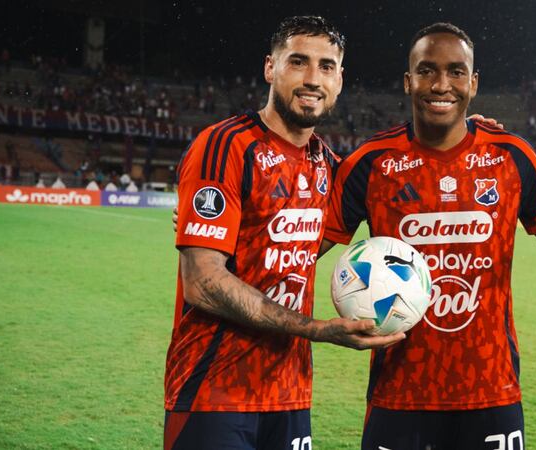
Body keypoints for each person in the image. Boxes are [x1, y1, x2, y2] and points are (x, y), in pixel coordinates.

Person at [322, 23, 536, 450]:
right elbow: (304, 246)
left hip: (490, 391)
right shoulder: (370, 163)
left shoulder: (510, 157)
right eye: (427, 71)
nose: (441, 85)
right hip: (400, 395)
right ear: (408, 81)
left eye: (456, 72)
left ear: (474, 82)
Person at [164, 16, 404, 450]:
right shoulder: (225, 146)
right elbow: (202, 283)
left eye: (327, 67)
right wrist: (315, 329)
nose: (313, 78)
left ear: (340, 79)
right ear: (270, 68)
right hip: (213, 391)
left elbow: (306, 242)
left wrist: (468, 129)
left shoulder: (331, 167)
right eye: (299, 62)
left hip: (290, 395)